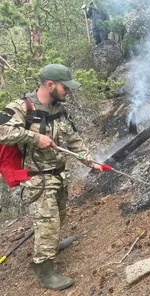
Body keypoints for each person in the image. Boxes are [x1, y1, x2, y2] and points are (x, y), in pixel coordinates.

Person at [0, 64, 104, 291]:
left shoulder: (59, 109)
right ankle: (44, 270)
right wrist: (34, 138)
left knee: (60, 215)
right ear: (50, 85)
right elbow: (3, 132)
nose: (68, 91)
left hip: (58, 176)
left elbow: (74, 140)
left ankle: (53, 244)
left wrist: (90, 161)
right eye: (64, 87)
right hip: (37, 180)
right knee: (47, 224)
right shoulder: (20, 107)